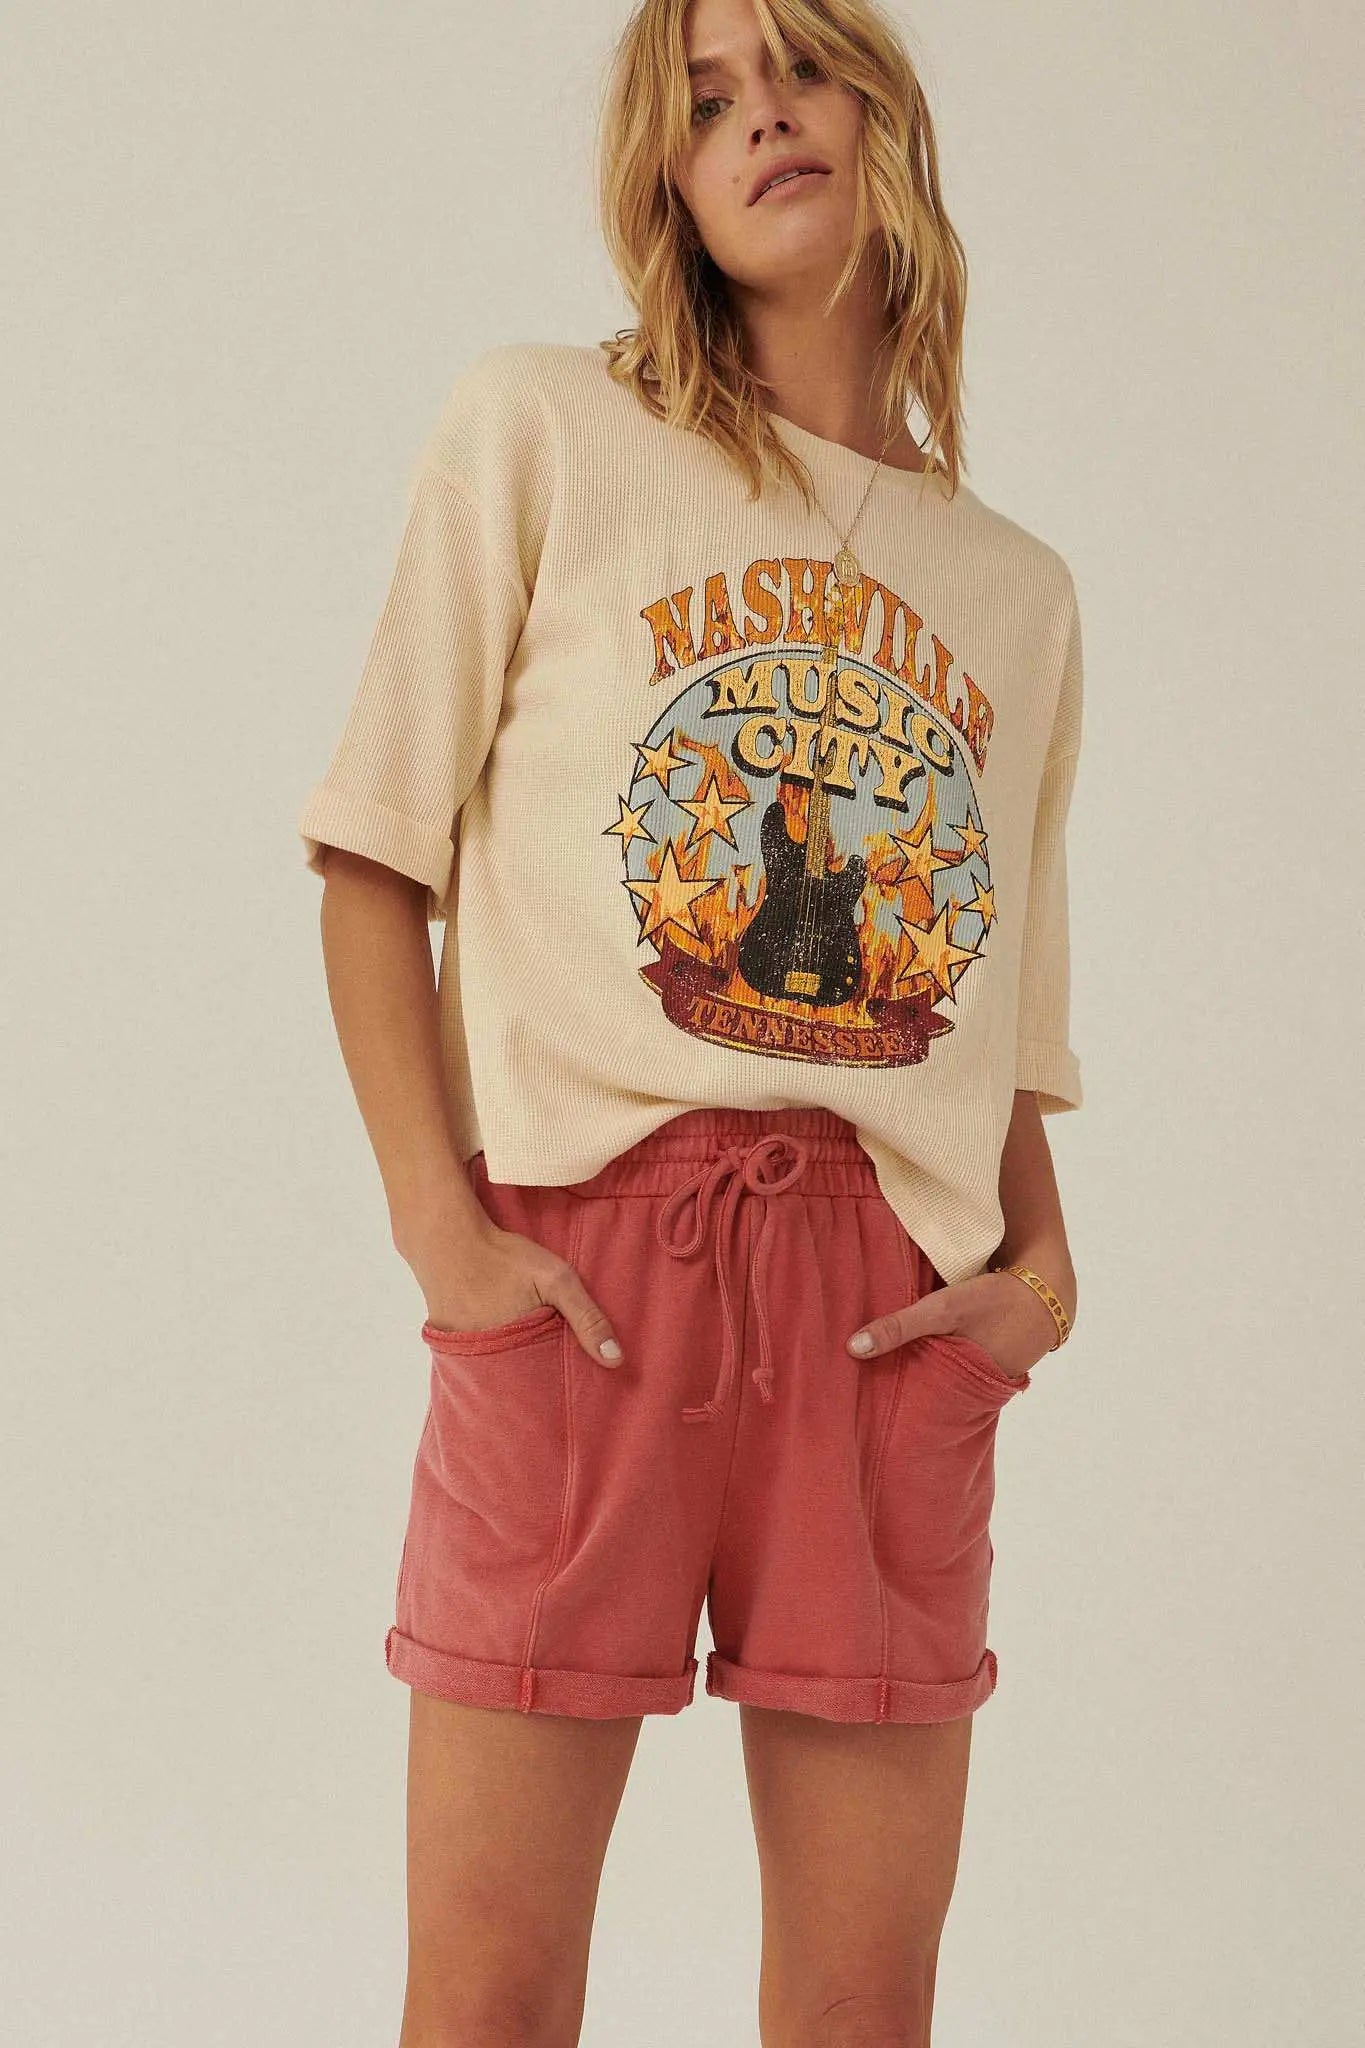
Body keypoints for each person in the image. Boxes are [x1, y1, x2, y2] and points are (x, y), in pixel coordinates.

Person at [296, 0, 1085, 2040]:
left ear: (879, 110)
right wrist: (446, 1238)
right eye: (706, 99)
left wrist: (1038, 1273)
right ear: (665, 173)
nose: (761, 121)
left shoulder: (1013, 590)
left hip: (882, 1317)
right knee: (486, 2000)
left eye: (797, 70)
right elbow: (374, 859)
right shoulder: (546, 428)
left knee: (860, 2011)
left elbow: (999, 1010)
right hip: (584, 1283)